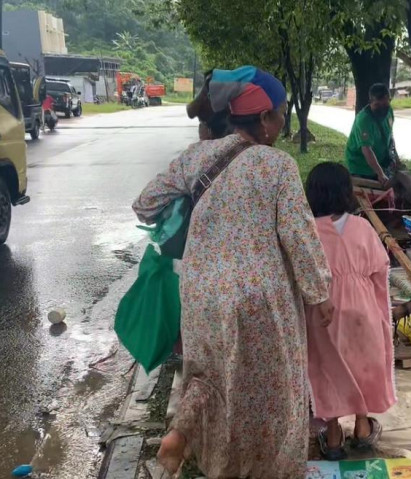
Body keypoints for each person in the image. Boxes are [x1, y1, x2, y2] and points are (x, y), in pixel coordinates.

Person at [133, 66, 333, 479]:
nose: (281, 124)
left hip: (203, 293)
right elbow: (299, 237)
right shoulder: (277, 165)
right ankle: (273, 469)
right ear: (263, 119)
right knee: (275, 394)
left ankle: (192, 444)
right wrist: (320, 295)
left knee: (208, 379)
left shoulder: (195, 156)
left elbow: (145, 204)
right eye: (280, 115)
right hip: (263, 299)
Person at [304, 162, 396, 460]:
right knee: (363, 365)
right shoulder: (362, 227)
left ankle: (332, 436)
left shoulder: (307, 232)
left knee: (326, 369)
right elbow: (381, 270)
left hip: (322, 311)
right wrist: (380, 313)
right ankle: (362, 427)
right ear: (346, 192)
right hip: (362, 309)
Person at [345, 83, 401, 185]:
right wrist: (380, 173)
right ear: (370, 102)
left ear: (389, 100)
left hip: (379, 163)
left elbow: (389, 135)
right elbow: (366, 149)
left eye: (385, 104)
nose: (382, 109)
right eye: (377, 105)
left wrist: (395, 158)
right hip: (360, 167)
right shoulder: (364, 120)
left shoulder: (389, 111)